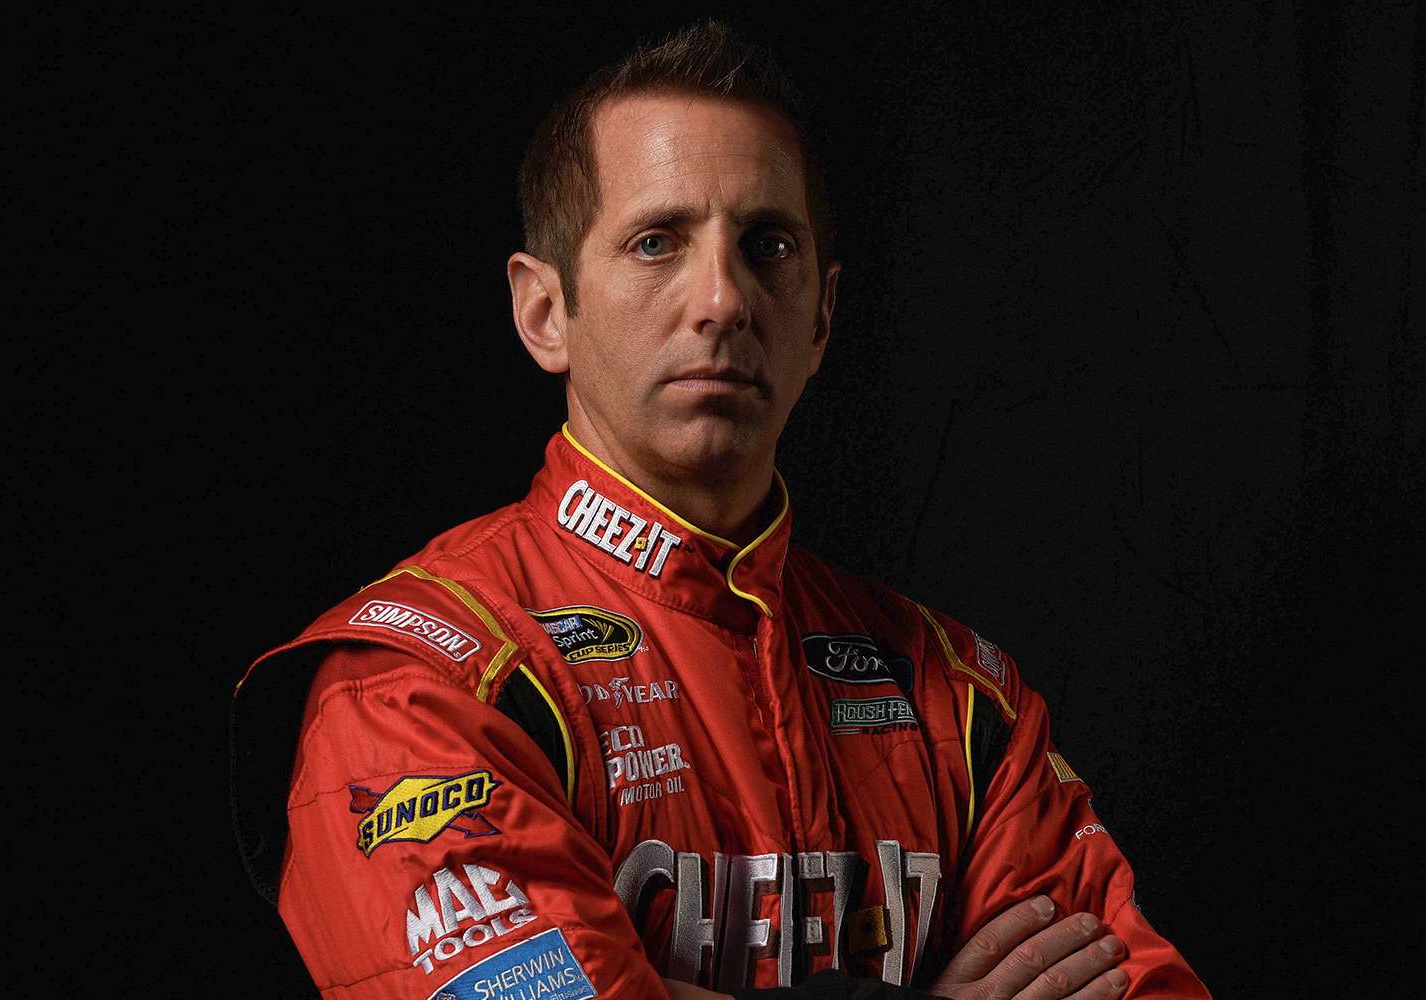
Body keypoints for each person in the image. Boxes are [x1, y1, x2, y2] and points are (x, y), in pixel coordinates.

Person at [230, 20, 1209, 1000]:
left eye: (766, 245)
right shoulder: (421, 681)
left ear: (821, 318)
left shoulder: (962, 704)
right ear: (545, 313)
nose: (723, 299)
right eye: (657, 242)